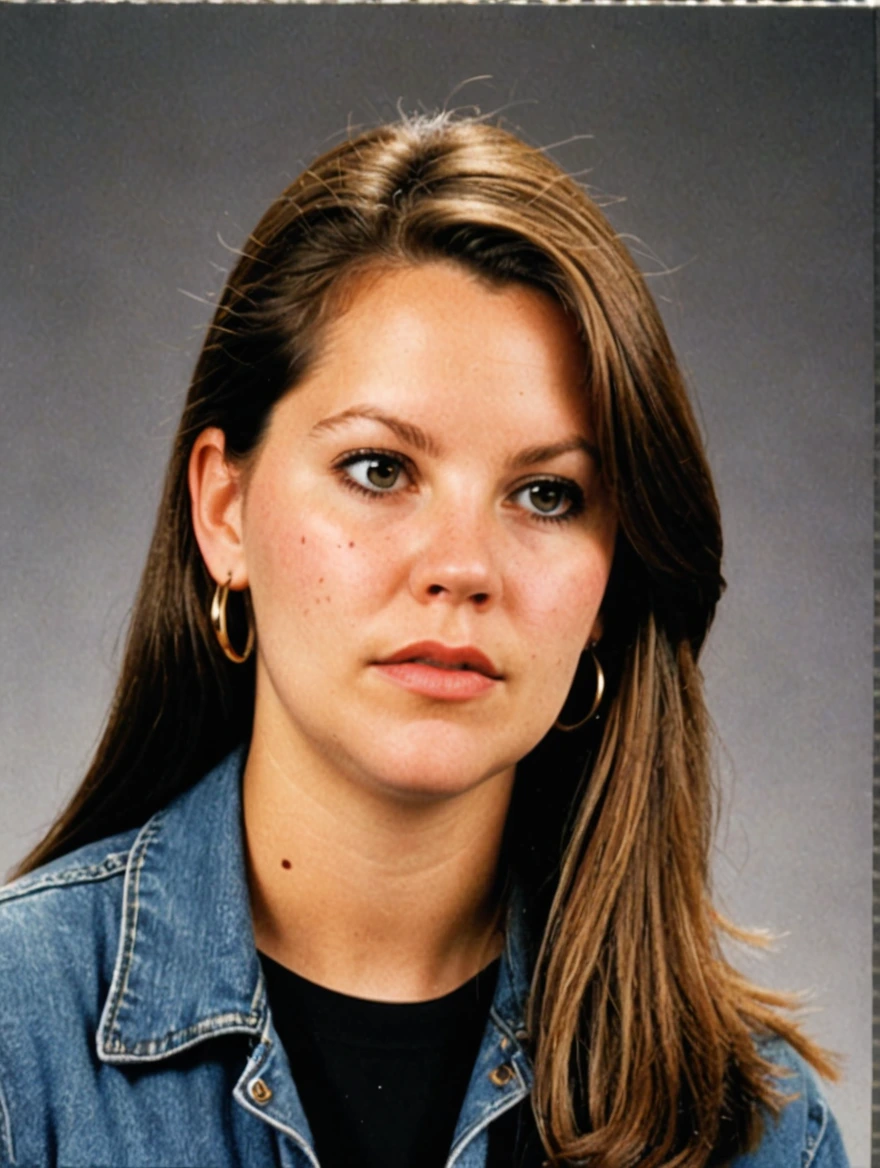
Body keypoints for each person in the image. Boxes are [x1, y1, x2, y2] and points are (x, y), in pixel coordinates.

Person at [0, 114, 849, 1168]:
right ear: (225, 510)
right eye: (379, 469)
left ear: (610, 584)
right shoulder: (15, 1051)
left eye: (545, 494)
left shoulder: (755, 1129)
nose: (461, 565)